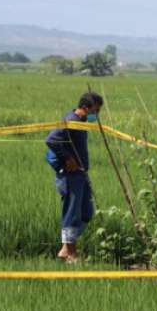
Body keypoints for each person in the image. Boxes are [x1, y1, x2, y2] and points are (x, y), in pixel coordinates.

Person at [45, 92, 102, 263]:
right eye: (95, 111)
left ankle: (65, 249)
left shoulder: (81, 122)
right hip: (70, 176)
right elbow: (51, 139)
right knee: (72, 213)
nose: (96, 115)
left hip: (81, 174)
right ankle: (71, 254)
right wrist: (67, 158)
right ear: (85, 108)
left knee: (86, 212)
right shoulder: (72, 120)